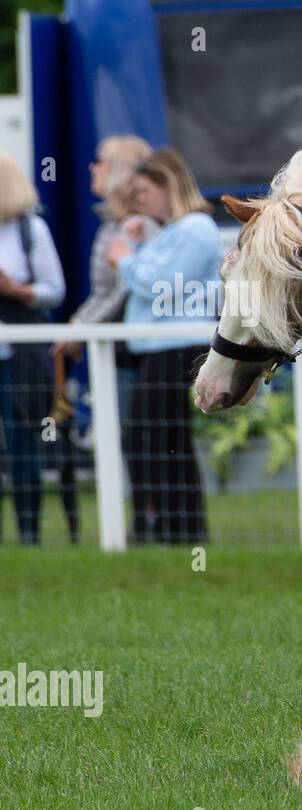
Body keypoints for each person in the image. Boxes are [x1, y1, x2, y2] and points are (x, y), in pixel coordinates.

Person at [109, 147, 219, 543]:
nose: (140, 200)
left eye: (144, 191)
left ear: (167, 186)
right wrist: (134, 242)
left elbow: (164, 288)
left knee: (151, 437)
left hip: (177, 347)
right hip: (160, 347)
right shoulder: (174, 230)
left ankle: (168, 526)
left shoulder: (195, 229)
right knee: (163, 439)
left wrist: (125, 259)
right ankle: (172, 527)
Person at [53, 135, 157, 424]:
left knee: (129, 436)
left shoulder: (139, 226)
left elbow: (121, 291)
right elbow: (104, 292)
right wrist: (78, 326)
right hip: (120, 349)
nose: (91, 168)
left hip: (135, 352)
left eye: (99, 162)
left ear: (118, 170)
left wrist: (80, 328)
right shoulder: (113, 224)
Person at [0, 152, 66, 544]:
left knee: (24, 444)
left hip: (20, 356)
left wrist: (15, 290)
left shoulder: (30, 230)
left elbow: (54, 291)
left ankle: (29, 535)